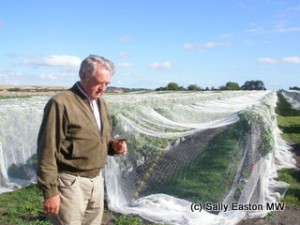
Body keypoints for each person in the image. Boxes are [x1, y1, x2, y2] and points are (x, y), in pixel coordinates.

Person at [36, 54, 127, 225]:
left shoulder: (101, 103)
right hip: (70, 183)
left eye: (107, 83)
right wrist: (50, 192)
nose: (103, 89)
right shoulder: (61, 103)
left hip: (97, 181)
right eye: (99, 82)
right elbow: (46, 150)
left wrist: (113, 147)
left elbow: (102, 140)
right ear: (83, 76)